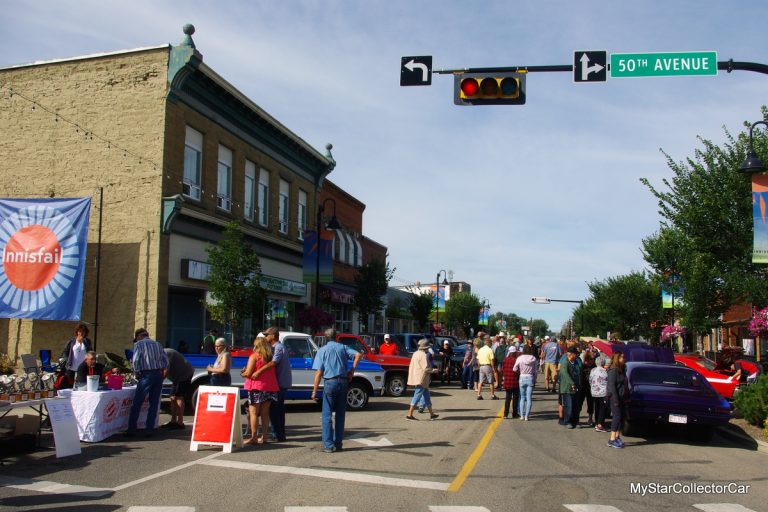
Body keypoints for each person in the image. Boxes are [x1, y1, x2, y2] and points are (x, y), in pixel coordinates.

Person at [311, 328, 362, 453]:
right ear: (336, 337)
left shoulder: (322, 350)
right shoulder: (342, 347)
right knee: (340, 414)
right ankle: (338, 443)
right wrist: (352, 370)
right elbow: (358, 355)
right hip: (343, 381)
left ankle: (328, 445)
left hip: (330, 381)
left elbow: (318, 373)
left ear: (325, 338)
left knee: (327, 414)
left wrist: (314, 391)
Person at [251, 326, 292, 442]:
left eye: (267, 335)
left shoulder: (278, 347)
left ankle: (278, 435)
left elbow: (273, 363)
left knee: (275, 409)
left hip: (280, 383)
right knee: (277, 409)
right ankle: (279, 434)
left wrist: (258, 371)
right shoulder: (274, 347)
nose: (265, 337)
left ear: (273, 336)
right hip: (279, 382)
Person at [126, 328, 169, 438]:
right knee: (154, 403)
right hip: (158, 374)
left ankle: (132, 429)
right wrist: (162, 372)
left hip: (146, 374)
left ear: (139, 337)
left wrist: (137, 373)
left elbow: (135, 361)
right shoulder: (158, 344)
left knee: (137, 402)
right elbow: (166, 361)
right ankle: (149, 429)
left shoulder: (139, 345)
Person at [242, 336, 279, 445]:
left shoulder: (254, 356)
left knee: (253, 412)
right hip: (270, 387)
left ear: (257, 346)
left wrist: (242, 373)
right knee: (265, 413)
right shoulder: (270, 358)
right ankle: (264, 437)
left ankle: (254, 437)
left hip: (256, 387)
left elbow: (248, 373)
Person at [406, 339, 440, 420]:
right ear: (425, 348)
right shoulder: (423, 355)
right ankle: (409, 414)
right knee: (417, 396)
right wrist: (435, 370)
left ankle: (432, 414)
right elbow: (426, 369)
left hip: (417, 377)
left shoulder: (415, 354)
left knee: (426, 397)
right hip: (422, 378)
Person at [162, 348, 194, 429]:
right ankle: (173, 421)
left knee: (179, 397)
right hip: (176, 377)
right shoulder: (159, 354)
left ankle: (180, 423)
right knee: (172, 397)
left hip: (184, 374)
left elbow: (166, 370)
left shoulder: (166, 353)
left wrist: (158, 382)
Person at [606, 352, 628, 448]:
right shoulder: (613, 370)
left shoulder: (622, 369)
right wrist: (615, 399)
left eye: (624, 356)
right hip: (615, 397)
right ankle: (611, 439)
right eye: (622, 357)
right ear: (617, 358)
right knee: (617, 417)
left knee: (622, 417)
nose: (624, 358)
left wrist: (627, 396)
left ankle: (617, 437)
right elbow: (611, 386)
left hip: (622, 397)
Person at [60, 323, 92, 388]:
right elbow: (65, 352)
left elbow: (90, 352)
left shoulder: (87, 341)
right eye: (80, 331)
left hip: (82, 368)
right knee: (69, 386)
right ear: (77, 332)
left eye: (83, 331)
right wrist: (66, 360)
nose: (81, 333)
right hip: (71, 367)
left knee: (81, 386)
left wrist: (84, 342)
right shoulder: (72, 341)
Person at [513, 345, 538, 420]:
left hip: (522, 377)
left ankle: (521, 415)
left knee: (522, 397)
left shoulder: (520, 358)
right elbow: (535, 371)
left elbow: (514, 369)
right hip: (530, 377)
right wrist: (535, 379)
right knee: (529, 398)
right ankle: (527, 416)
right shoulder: (533, 358)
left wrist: (519, 371)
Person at [559, 346, 581, 429]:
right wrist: (572, 383)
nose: (576, 356)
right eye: (575, 354)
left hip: (576, 387)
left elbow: (579, 372)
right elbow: (565, 374)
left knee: (576, 406)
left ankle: (575, 421)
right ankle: (568, 421)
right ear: (571, 354)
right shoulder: (565, 362)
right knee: (569, 405)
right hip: (567, 388)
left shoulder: (576, 362)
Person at [590, 354, 610, 432]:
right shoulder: (605, 371)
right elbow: (608, 381)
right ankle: (600, 425)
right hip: (603, 392)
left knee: (597, 408)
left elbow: (590, 380)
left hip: (594, 391)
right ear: (603, 363)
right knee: (602, 408)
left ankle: (596, 423)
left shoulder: (593, 370)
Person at [501, 345, 520, 419]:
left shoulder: (505, 360)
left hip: (507, 382)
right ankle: (514, 414)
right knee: (515, 399)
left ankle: (505, 414)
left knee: (507, 399)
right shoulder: (516, 360)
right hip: (514, 382)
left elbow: (503, 370)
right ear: (514, 352)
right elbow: (517, 371)